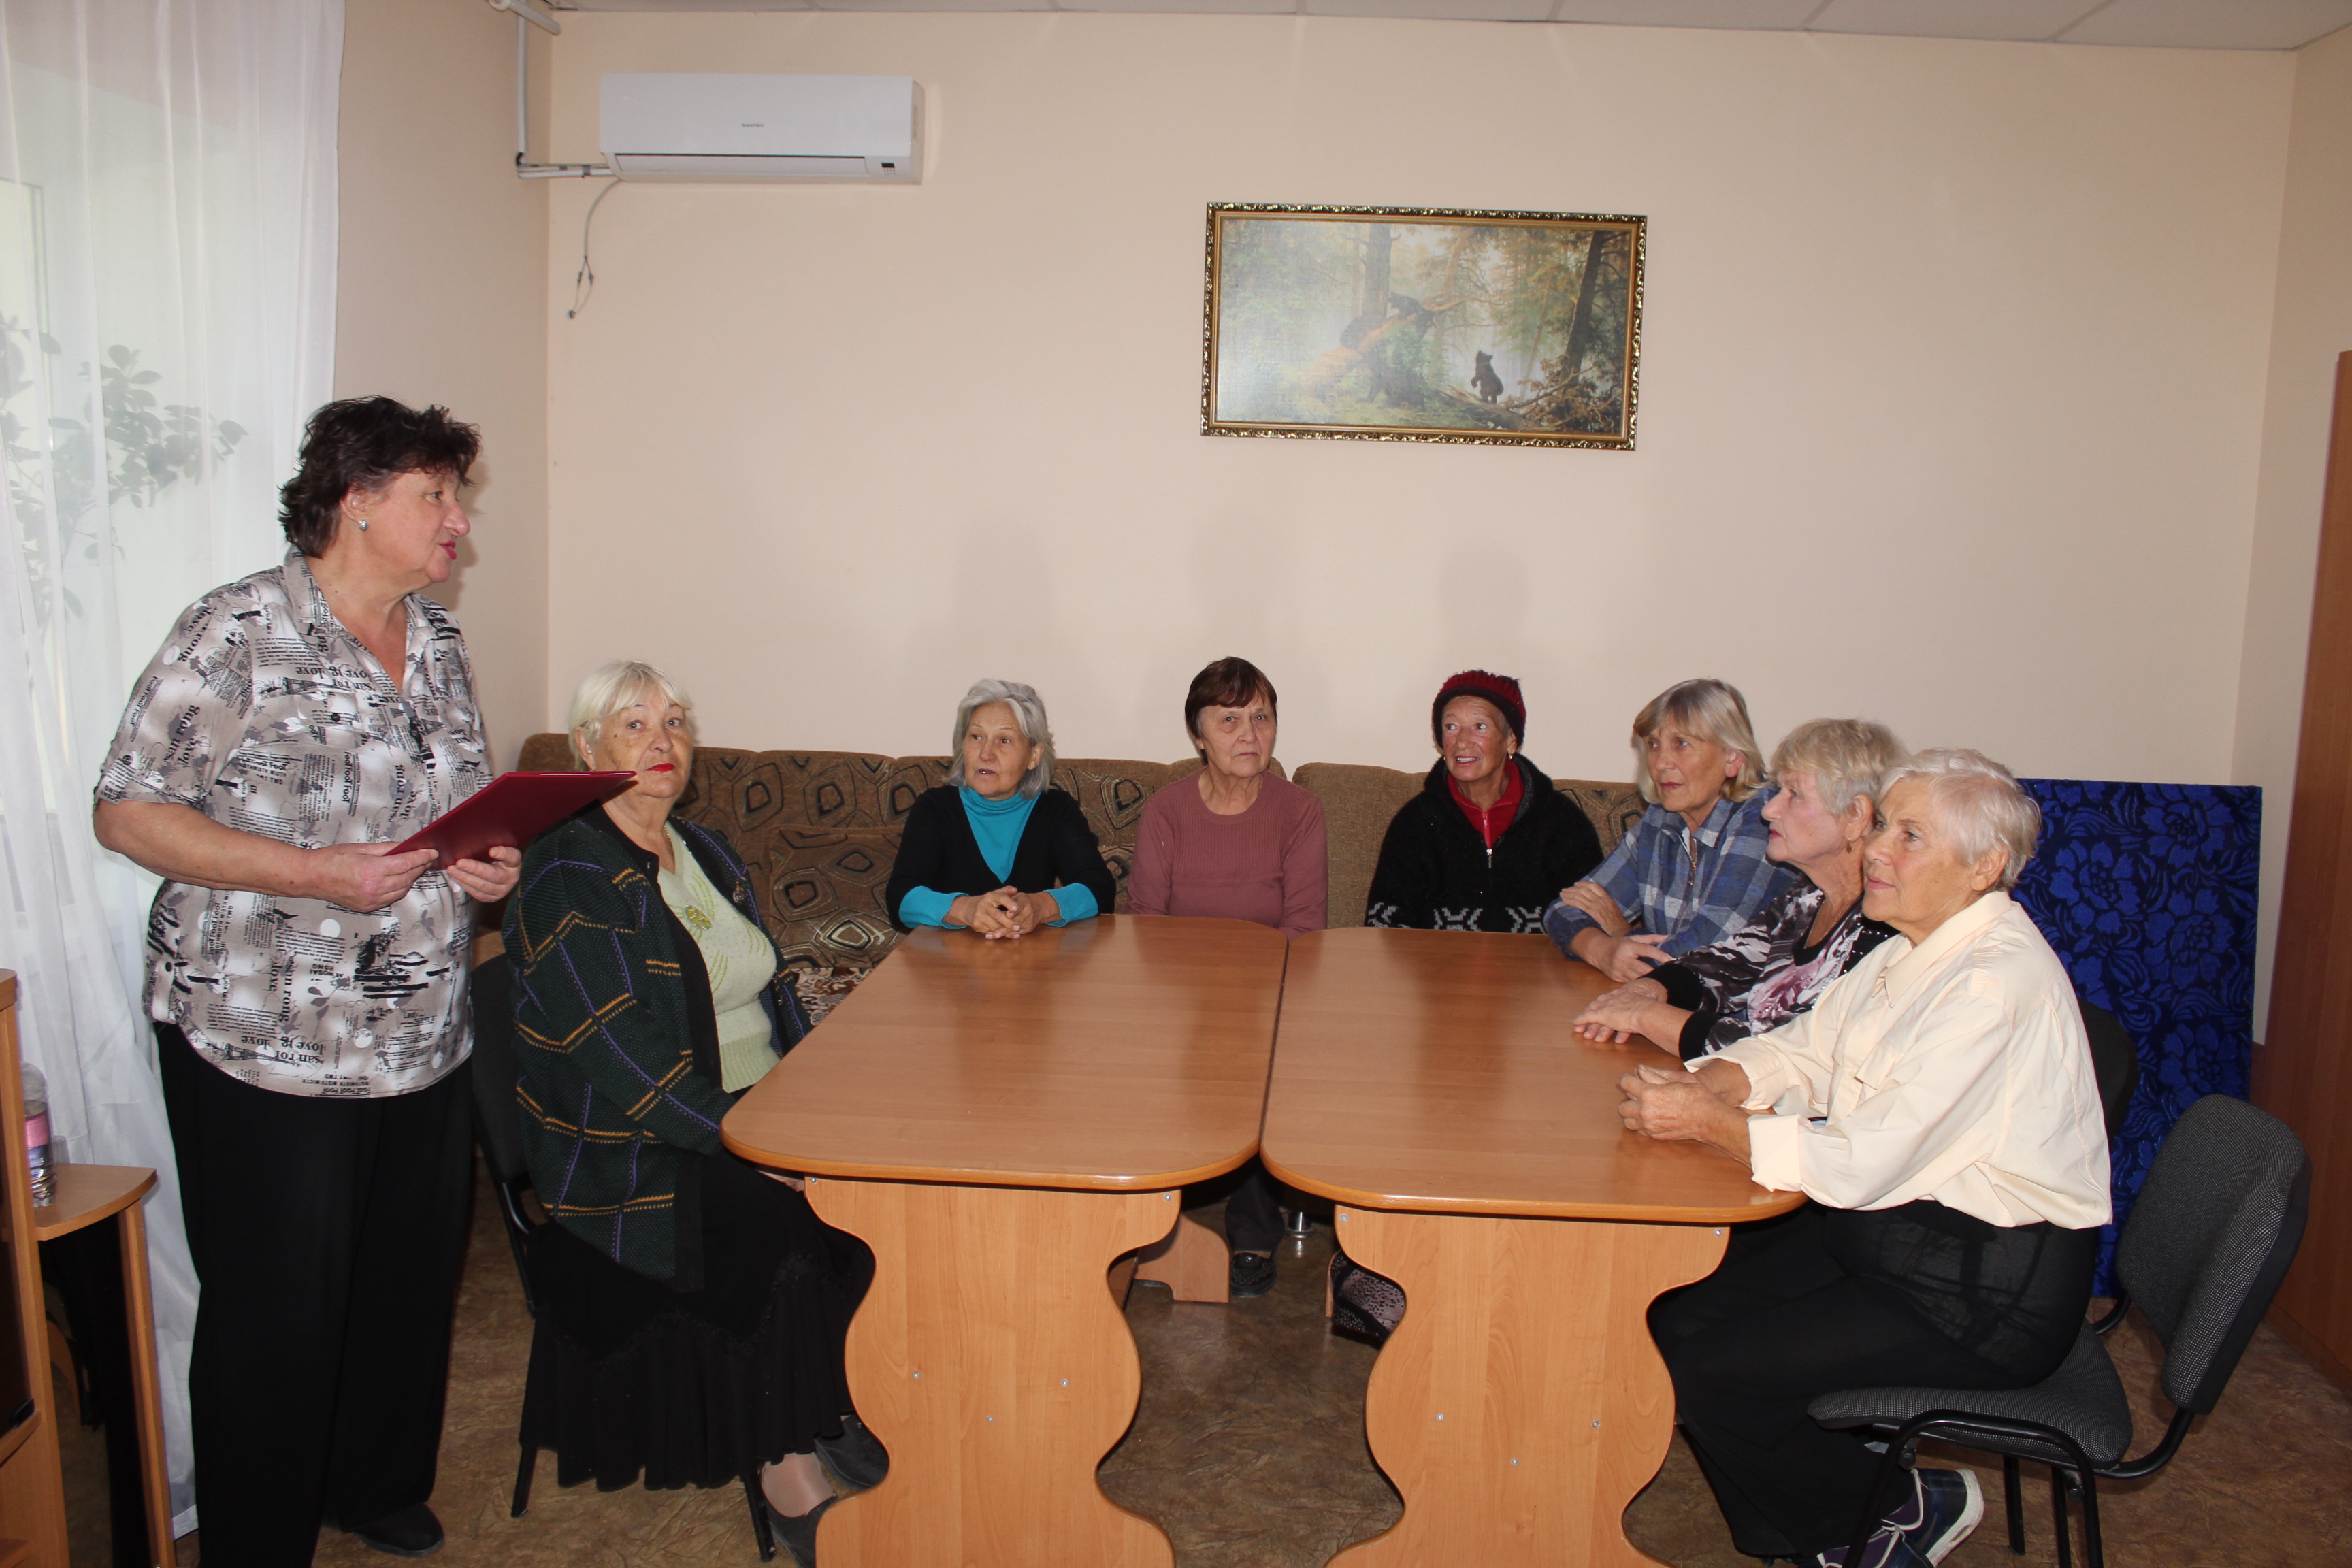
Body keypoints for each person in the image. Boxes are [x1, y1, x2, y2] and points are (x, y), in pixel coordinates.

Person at [91, 397, 518, 1565]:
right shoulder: (237, 628)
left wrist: (489, 862)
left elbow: (457, 809)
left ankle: (371, 1481)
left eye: (458, 496)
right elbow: (127, 810)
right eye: (437, 495)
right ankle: (256, 1536)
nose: (458, 520)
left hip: (420, 1025)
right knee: (278, 1308)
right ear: (356, 499)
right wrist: (313, 872)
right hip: (264, 1034)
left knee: (402, 1282)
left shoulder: (437, 639)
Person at [1621, 750, 2110, 1568]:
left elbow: (1858, 1163)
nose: (1877, 848)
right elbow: (1808, 1048)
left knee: (1714, 1371)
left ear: (1984, 866)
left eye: (1909, 835)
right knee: (1679, 1310)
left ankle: (1871, 1519)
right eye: (1882, 825)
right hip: (1896, 1228)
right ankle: (1856, 1511)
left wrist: (1712, 1124)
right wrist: (1718, 1081)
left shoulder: (1990, 985)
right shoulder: (1911, 946)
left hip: (1985, 1287)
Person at [505, 661, 881, 1568]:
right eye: (633, 724)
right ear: (587, 748)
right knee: (782, 1217)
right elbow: (622, 1057)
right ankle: (787, 1467)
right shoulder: (567, 872)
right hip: (631, 1149)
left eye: (674, 721)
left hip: (745, 1110)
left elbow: (768, 991)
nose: (662, 740)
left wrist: (811, 1102)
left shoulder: (703, 848)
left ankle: (829, 1404)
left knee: (880, 1185)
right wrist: (750, 1143)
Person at [1130, 655, 1328, 1295]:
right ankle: (1150, 1218)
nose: (1249, 735)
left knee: (1255, 1050)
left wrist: (1238, 990)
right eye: (1230, 720)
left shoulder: (1300, 811)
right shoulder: (1166, 812)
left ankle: (1253, 1227)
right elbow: (1145, 922)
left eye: (1261, 718)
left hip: (1269, 996)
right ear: (1198, 735)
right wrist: (1199, 991)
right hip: (1178, 997)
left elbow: (1306, 927)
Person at [1572, 718, 1905, 1060]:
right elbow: (1729, 962)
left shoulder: (1884, 929)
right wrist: (1650, 988)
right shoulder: (1808, 896)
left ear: (1855, 815)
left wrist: (1645, 1015)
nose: (1769, 809)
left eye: (1794, 794)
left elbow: (1786, 1054)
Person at [1546, 677, 1795, 982]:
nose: (1661, 763)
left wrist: (1622, 935)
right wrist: (1601, 949)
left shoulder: (1764, 821)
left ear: (1733, 757)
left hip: (1750, 1007)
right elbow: (1563, 908)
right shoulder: (1663, 818)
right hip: (1666, 997)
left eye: (1682, 744)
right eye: (1653, 745)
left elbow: (1703, 953)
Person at [1363, 670, 1603, 932]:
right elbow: (1383, 928)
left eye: (1480, 726)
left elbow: (1593, 924)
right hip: (1437, 959)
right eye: (1451, 727)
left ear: (1511, 740)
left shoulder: (1562, 822)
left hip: (1536, 960)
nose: (1462, 742)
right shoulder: (1415, 823)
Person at [884, 679, 1115, 938]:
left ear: (1034, 756)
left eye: (1004, 740)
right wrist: (966, 910)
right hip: (949, 959)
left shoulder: (1056, 810)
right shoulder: (935, 808)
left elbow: (1099, 888)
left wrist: (1040, 907)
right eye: (976, 737)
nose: (986, 753)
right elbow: (901, 897)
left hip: (1031, 959)